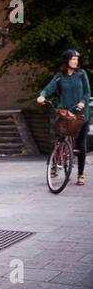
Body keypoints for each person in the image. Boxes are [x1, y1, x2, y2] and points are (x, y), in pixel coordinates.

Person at [37, 49, 91, 186]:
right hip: (65, 112)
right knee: (58, 137)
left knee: (81, 144)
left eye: (76, 59)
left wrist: (82, 102)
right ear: (66, 60)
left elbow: (87, 92)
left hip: (80, 113)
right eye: (73, 59)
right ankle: (54, 163)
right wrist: (42, 95)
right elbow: (48, 88)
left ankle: (80, 174)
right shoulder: (59, 77)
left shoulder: (81, 74)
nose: (75, 61)